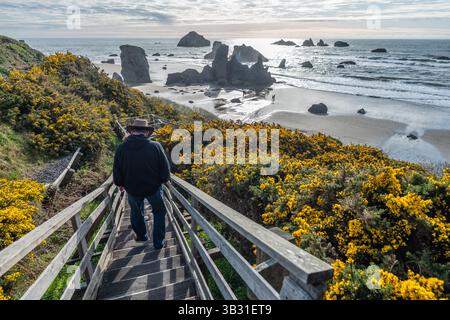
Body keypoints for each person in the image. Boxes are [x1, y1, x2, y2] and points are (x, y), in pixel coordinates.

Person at [113, 118, 171, 249]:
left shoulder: (121, 148)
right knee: (159, 212)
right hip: (154, 188)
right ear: (146, 132)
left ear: (132, 131)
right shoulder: (155, 146)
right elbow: (164, 168)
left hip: (132, 188)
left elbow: (117, 169)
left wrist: (120, 183)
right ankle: (158, 242)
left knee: (136, 211)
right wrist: (163, 180)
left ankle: (141, 236)